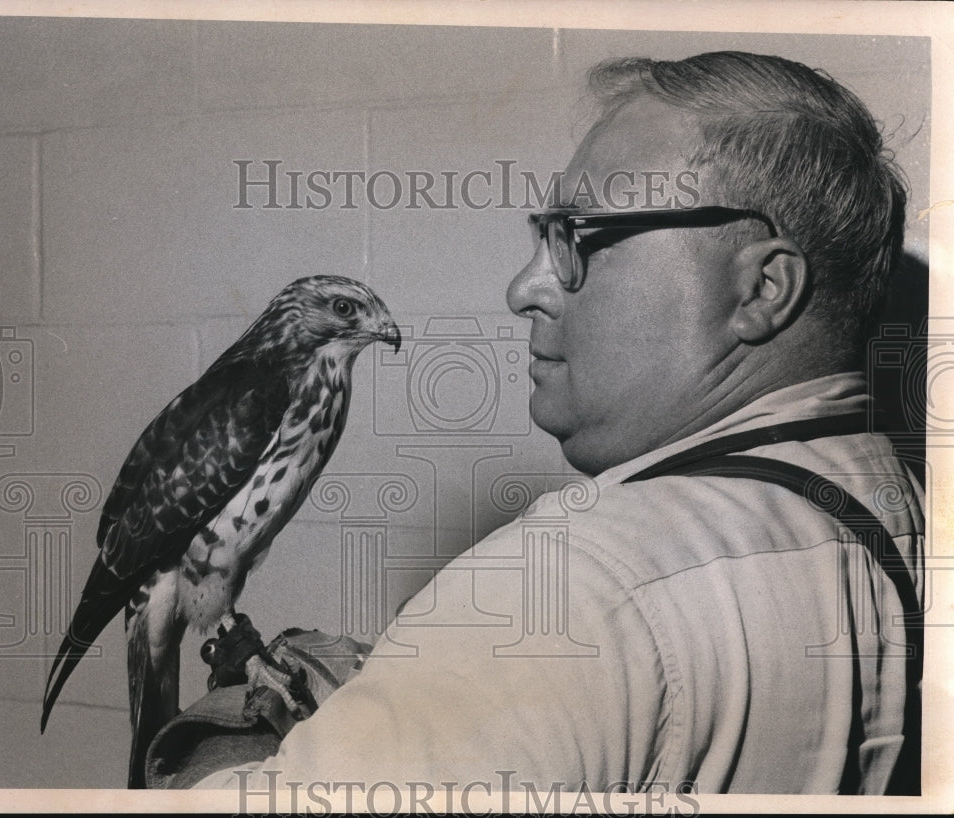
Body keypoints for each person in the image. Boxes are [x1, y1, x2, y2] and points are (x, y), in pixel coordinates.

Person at [187, 51, 923, 796]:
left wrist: (230, 744)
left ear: (762, 288)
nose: (524, 288)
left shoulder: (563, 592)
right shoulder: (909, 514)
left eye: (576, 236)